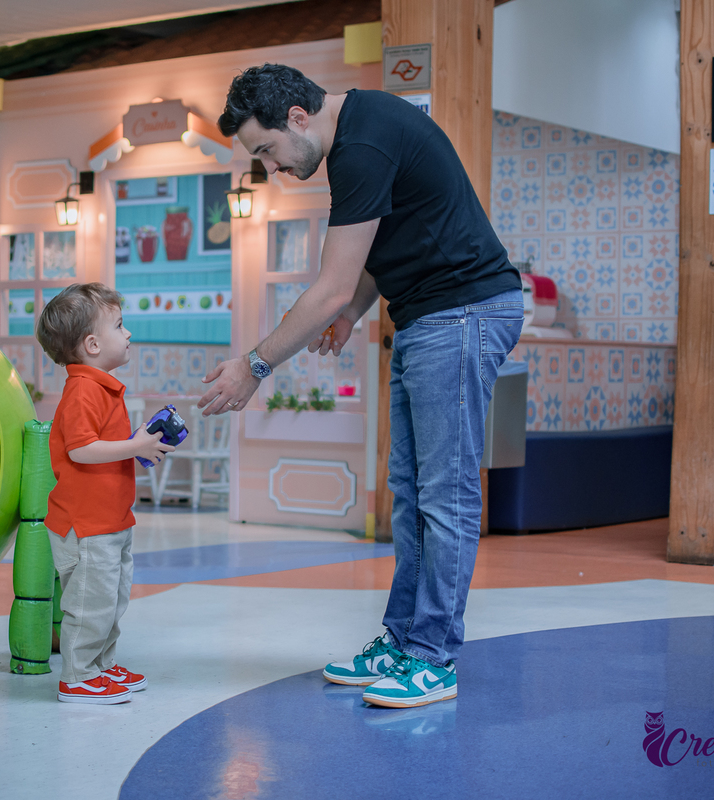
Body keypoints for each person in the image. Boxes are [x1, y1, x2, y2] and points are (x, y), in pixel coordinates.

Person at [201, 64, 523, 708]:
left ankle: (433, 656)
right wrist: (354, 310)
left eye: (265, 151)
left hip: (462, 313)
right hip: (428, 316)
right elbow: (381, 250)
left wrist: (254, 365)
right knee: (410, 491)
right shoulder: (362, 131)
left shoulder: (362, 142)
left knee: (445, 494)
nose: (271, 169)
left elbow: (329, 284)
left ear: (297, 117)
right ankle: (402, 640)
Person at [36, 282, 175, 704]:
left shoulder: (102, 387)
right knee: (88, 604)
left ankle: (101, 666)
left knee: (110, 601)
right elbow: (81, 449)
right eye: (119, 325)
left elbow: (99, 448)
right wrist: (136, 446)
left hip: (111, 521)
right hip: (86, 525)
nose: (128, 333)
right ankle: (77, 677)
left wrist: (136, 444)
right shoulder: (82, 390)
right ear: (93, 344)